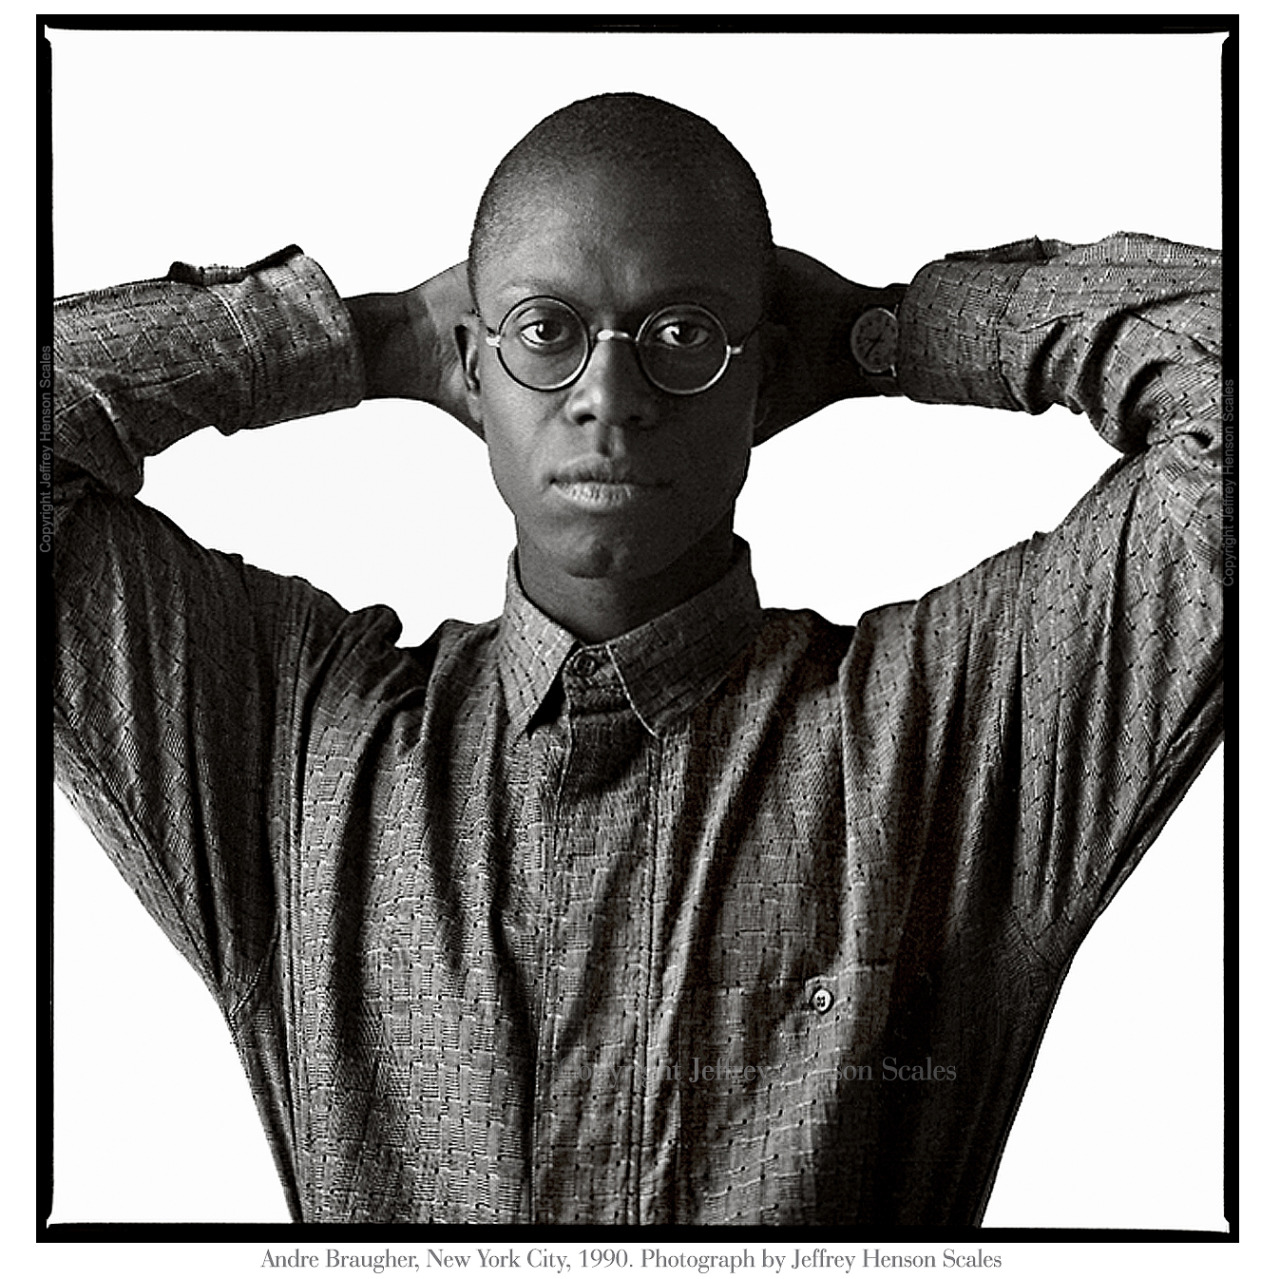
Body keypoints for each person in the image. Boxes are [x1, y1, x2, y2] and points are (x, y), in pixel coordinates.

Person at [52, 92, 1222, 1226]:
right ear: (471, 367)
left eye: (681, 337)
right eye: (544, 332)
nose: (608, 397)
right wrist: (369, 340)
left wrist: (883, 333)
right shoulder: (298, 747)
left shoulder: (953, 731)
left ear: (764, 373)